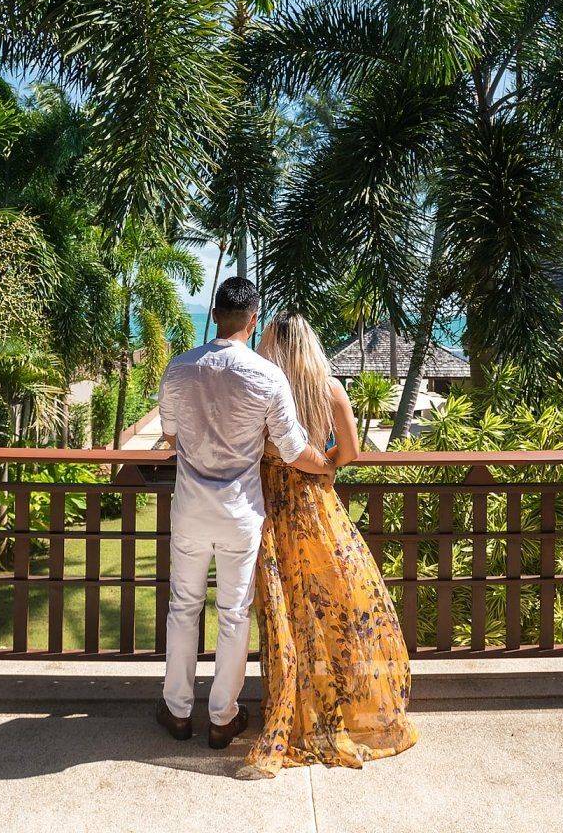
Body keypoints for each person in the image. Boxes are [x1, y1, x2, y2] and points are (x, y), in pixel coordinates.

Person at [156, 277, 332, 749]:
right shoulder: (267, 376)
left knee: (183, 608)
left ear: (215, 315)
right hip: (239, 513)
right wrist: (327, 466)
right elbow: (294, 450)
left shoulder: (179, 368)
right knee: (234, 614)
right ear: (253, 320)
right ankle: (222, 718)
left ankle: (177, 711)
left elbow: (171, 435)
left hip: (191, 511)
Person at [240, 312, 418, 778]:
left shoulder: (264, 389)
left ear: (274, 347)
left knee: (286, 609)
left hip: (272, 505)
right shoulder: (330, 389)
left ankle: (294, 706)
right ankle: (340, 703)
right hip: (316, 504)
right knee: (336, 601)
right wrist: (325, 467)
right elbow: (352, 451)